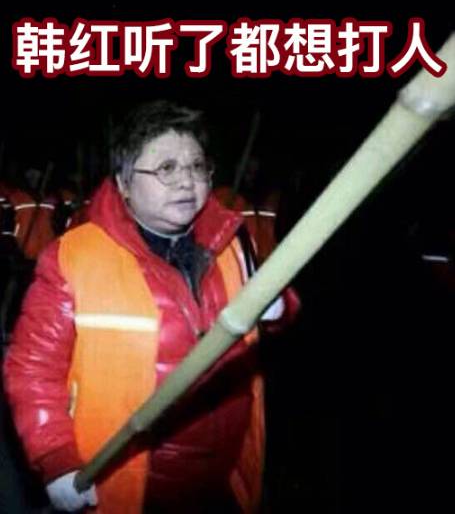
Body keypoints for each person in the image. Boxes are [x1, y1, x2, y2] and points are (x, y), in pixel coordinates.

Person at [4, 100, 299, 513]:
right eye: (166, 168)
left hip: (223, 483)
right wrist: (55, 457)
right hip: (129, 485)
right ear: (124, 182)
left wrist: (280, 307)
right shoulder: (75, 257)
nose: (186, 181)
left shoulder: (233, 241)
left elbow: (272, 318)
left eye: (197, 166)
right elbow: (32, 369)